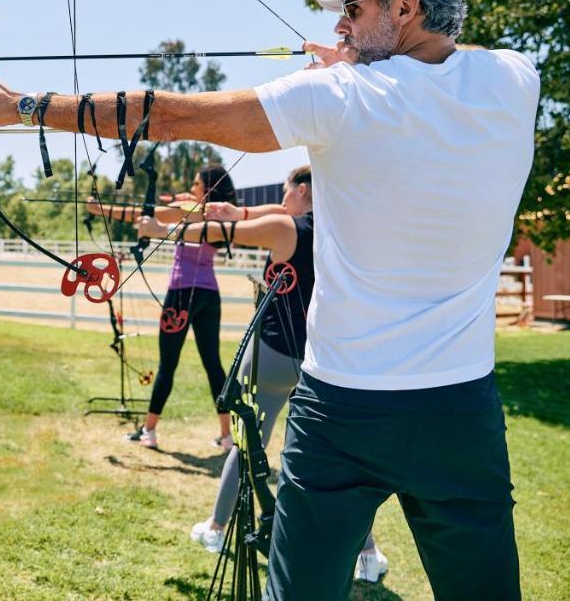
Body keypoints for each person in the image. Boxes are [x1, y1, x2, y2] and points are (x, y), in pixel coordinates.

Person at [0, 0, 538, 599]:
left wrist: (19, 108)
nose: (339, 25)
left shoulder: (341, 97)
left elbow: (169, 115)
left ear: (405, 5)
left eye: (355, 9)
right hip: (460, 407)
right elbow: (444, 73)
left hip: (342, 410)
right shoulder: (514, 79)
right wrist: (369, 57)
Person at [138, 165, 387, 583]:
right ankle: (367, 556)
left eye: (288, 191)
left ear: (304, 190)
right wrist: (223, 211)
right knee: (336, 458)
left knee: (247, 443)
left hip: (272, 355)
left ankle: (216, 529)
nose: (284, 197)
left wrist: (159, 226)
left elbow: (219, 232)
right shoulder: (345, 229)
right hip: (322, 357)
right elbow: (246, 215)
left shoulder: (286, 229)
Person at [86, 166, 235, 452]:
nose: (192, 189)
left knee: (168, 364)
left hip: (181, 294)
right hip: (209, 295)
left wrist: (100, 209)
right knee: (213, 365)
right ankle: (226, 436)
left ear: (206, 189)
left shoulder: (188, 211)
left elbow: (142, 215)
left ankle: (149, 431)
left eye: (195, 184)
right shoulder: (220, 216)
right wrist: (182, 202)